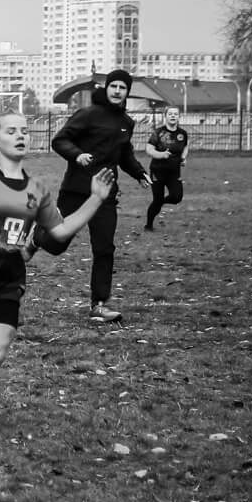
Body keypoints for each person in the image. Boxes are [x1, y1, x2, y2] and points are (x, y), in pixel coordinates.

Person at [0, 113, 115, 443]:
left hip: (9, 276)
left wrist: (96, 198)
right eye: (11, 131)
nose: (20, 135)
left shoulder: (37, 189)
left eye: (25, 131)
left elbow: (60, 231)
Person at [44, 68, 148, 323]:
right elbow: (60, 140)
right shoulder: (88, 115)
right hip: (76, 190)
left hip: (105, 194)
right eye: (113, 86)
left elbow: (124, 155)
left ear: (127, 92)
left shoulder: (126, 123)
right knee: (57, 245)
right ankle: (36, 238)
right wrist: (77, 155)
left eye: (122, 88)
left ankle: (99, 304)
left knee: (104, 248)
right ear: (106, 88)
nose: (117, 91)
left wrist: (139, 172)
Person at [144, 105, 189, 231]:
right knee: (157, 200)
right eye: (170, 114)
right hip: (157, 171)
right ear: (165, 116)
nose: (173, 116)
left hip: (174, 172)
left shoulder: (182, 134)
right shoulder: (158, 133)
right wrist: (161, 155)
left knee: (176, 197)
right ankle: (148, 225)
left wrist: (184, 158)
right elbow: (149, 149)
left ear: (179, 117)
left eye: (175, 114)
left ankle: (160, 202)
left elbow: (185, 146)